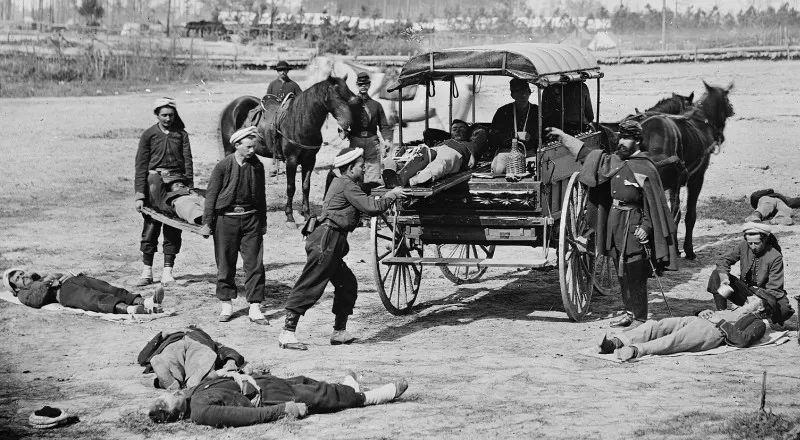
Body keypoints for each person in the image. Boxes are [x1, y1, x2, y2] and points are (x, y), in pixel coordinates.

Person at [550, 120, 678, 328]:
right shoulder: (614, 161)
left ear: (637, 141)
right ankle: (629, 313)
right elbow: (587, 155)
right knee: (621, 271)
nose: (621, 142)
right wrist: (563, 137)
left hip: (634, 225)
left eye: (626, 138)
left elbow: (653, 204)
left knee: (635, 271)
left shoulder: (645, 167)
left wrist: (646, 227)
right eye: (620, 137)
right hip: (616, 223)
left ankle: (639, 318)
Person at [279, 147, 408, 350]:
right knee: (310, 284)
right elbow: (371, 207)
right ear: (350, 168)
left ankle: (339, 332)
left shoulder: (344, 182)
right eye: (360, 165)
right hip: (327, 240)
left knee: (347, 284)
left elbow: (363, 192)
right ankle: (287, 333)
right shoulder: (346, 184)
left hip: (333, 241)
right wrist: (392, 194)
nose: (364, 168)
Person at [148, 370, 409, 427]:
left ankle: (346, 387)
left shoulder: (192, 393)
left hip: (264, 382)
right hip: (269, 398)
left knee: (307, 381)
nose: (174, 392)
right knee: (320, 396)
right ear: (176, 414)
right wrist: (284, 409)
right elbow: (244, 416)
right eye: (171, 399)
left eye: (170, 392)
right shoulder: (201, 412)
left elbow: (218, 380)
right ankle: (371, 397)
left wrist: (236, 372)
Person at [202, 126, 269, 326]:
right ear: (237, 145)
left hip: (251, 219)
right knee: (225, 263)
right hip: (226, 220)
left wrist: (263, 222)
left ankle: (255, 307)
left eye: (254, 147)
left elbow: (261, 196)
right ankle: (226, 305)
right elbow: (211, 196)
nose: (252, 150)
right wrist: (207, 223)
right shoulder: (223, 166)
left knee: (254, 264)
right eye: (248, 147)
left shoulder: (257, 166)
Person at [597, 295, 768, 362]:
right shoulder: (734, 310)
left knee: (673, 340)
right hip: (698, 321)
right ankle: (615, 343)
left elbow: (743, 340)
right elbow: (707, 313)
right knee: (659, 325)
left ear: (760, 309)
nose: (747, 300)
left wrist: (720, 322)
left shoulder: (757, 322)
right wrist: (702, 312)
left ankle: (635, 350)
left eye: (752, 300)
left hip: (714, 332)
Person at [135, 97, 194, 286]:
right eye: (164, 115)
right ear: (157, 115)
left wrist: (189, 187)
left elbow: (188, 162)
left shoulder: (181, 135)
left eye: (171, 115)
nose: (168, 119)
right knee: (151, 226)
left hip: (176, 184)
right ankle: (147, 271)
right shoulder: (149, 135)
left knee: (174, 226)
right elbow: (141, 165)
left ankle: (168, 272)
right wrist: (140, 194)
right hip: (154, 184)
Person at [707, 222, 794, 326]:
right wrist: (724, 278)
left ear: (765, 240)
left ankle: (759, 316)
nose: (752, 247)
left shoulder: (775, 256)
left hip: (766, 295)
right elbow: (724, 260)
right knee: (717, 274)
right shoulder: (743, 246)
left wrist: (758, 302)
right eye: (750, 243)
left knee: (783, 310)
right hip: (746, 292)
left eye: (756, 243)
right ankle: (722, 313)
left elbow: (774, 288)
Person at [3, 268, 164, 314]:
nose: (23, 276)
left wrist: (65, 275)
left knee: (106, 287)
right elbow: (36, 300)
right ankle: (131, 309)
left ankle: (146, 302)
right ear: (15, 287)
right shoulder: (23, 294)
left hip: (70, 281)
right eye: (18, 278)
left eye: (22, 273)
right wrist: (49, 282)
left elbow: (56, 275)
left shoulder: (38, 278)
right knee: (92, 297)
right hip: (63, 294)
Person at [382, 119, 486, 188]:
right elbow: (429, 132)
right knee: (421, 156)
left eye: (462, 128)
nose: (458, 131)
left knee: (441, 163)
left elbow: (481, 132)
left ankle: (416, 179)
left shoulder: (470, 144)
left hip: (456, 152)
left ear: (468, 132)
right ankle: (398, 174)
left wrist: (473, 128)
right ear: (450, 133)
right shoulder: (445, 141)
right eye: (454, 129)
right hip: (437, 149)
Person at [138, 326, 246, 390]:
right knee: (198, 358)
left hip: (187, 344)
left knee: (171, 358)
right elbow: (142, 357)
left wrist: (231, 360)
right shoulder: (170, 336)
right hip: (182, 344)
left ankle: (169, 380)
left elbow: (142, 357)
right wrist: (162, 335)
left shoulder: (202, 336)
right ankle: (194, 379)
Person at [349, 72, 393, 189]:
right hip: (356, 142)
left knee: (373, 176)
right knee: (354, 173)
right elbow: (344, 123)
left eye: (365, 84)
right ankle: (356, 197)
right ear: (357, 85)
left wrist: (387, 140)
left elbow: (384, 125)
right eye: (360, 84)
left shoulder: (376, 105)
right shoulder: (350, 105)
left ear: (369, 85)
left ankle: (370, 197)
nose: (363, 86)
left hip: (372, 144)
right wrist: (343, 131)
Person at [265, 61, 303, 178]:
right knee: (270, 130)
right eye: (280, 70)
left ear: (287, 71)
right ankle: (273, 163)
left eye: (285, 70)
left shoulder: (293, 85)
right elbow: (268, 99)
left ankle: (296, 160)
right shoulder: (272, 85)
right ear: (277, 71)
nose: (283, 72)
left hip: (289, 115)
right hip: (275, 114)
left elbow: (301, 99)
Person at [490, 78, 540, 158]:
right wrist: (514, 135)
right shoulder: (503, 112)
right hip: (507, 152)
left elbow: (543, 135)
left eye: (525, 91)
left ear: (529, 92)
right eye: (518, 92)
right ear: (512, 95)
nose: (523, 95)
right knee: (500, 164)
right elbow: (493, 137)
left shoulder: (537, 111)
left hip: (529, 153)